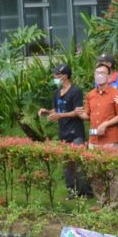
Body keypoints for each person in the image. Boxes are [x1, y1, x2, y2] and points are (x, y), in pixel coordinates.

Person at [76, 63, 118, 209]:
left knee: (111, 174)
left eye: (103, 73)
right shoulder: (90, 95)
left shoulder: (116, 94)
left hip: (110, 138)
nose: (99, 75)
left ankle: (113, 205)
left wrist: (105, 124)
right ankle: (101, 202)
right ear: (94, 76)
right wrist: (78, 113)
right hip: (94, 139)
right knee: (95, 173)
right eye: (97, 73)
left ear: (109, 76)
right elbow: (87, 115)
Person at [37, 64, 91, 199]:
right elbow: (57, 110)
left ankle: (85, 193)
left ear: (65, 76)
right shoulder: (56, 93)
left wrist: (60, 116)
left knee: (78, 163)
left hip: (76, 133)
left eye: (57, 75)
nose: (55, 77)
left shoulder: (75, 91)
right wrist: (47, 111)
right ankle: (72, 192)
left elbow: (78, 112)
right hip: (63, 132)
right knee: (67, 165)